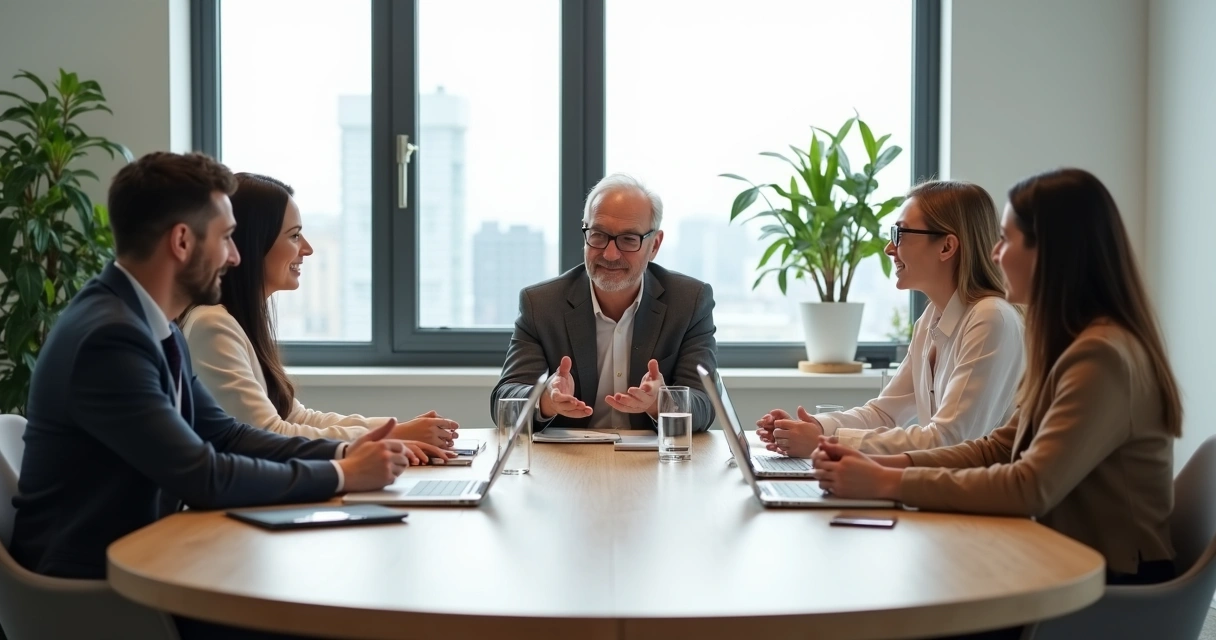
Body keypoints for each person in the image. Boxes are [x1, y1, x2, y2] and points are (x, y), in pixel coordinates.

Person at [10, 152, 437, 606]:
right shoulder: (110, 338)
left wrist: (347, 451)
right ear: (182, 241)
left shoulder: (150, 323)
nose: (235, 256)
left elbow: (227, 434)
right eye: (227, 237)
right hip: (98, 591)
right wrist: (341, 473)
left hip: (148, 560)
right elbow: (203, 476)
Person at [813, 168, 1181, 597]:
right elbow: (997, 449)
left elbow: (1029, 487)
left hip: (1111, 587)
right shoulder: (1073, 343)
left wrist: (887, 482)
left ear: (1050, 252)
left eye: (1006, 239)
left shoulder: (1101, 355)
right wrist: (883, 467)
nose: (994, 252)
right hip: (1066, 563)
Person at [179, 173, 458, 448]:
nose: (308, 249)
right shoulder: (212, 325)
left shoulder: (237, 321)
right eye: (294, 236)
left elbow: (296, 418)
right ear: (255, 242)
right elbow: (268, 434)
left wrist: (396, 429)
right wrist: (392, 436)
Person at [756, 181, 1024, 456]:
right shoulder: (931, 319)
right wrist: (814, 427)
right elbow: (884, 413)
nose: (888, 248)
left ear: (946, 247)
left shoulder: (991, 318)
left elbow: (948, 441)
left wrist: (824, 442)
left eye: (900, 234)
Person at [491, 173, 718, 431]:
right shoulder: (541, 305)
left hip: (652, 455)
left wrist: (661, 401)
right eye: (598, 235)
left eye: (629, 239)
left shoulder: (689, 302)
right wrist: (546, 400)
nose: (610, 254)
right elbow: (504, 401)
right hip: (570, 455)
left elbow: (705, 404)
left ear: (654, 245)